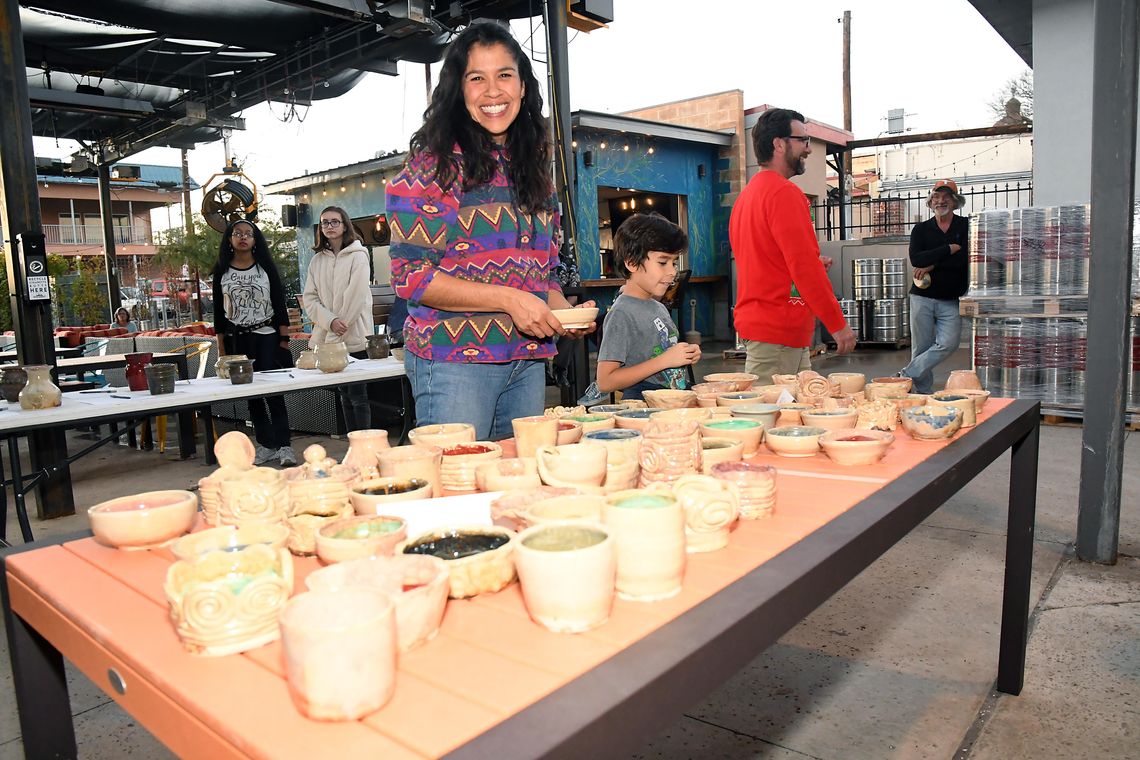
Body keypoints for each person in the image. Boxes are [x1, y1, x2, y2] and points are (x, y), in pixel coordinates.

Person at [386, 21, 594, 440]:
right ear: (458, 90)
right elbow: (410, 277)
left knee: (514, 491)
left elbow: (542, 274)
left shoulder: (533, 167)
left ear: (522, 85)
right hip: (454, 363)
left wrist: (560, 311)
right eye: (476, 78)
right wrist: (509, 300)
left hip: (527, 360)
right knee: (458, 490)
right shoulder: (435, 165)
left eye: (504, 75)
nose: (493, 91)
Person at [729, 108, 855, 383]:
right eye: (803, 140)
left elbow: (765, 260)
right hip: (778, 334)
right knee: (774, 418)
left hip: (769, 331)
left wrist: (811, 264)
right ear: (779, 143)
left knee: (784, 416)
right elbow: (804, 266)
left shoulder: (746, 198)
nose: (808, 149)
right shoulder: (784, 194)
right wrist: (837, 324)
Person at [212, 219, 296, 467]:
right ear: (229, 239)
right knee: (251, 395)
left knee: (273, 391)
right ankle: (266, 444)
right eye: (238, 233)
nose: (243, 237)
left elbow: (279, 303)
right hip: (236, 339)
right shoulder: (222, 270)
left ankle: (284, 445)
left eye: (249, 233)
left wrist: (283, 338)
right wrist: (221, 346)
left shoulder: (265, 267)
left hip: (267, 335)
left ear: (255, 239)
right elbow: (218, 311)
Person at [592, 214, 699, 401]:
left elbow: (659, 350)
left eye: (674, 263)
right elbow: (605, 381)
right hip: (644, 409)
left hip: (670, 401)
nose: (673, 271)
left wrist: (685, 355)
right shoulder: (622, 314)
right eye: (662, 262)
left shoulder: (658, 307)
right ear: (632, 262)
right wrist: (665, 361)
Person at [303, 206, 374, 431]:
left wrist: (340, 324)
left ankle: (366, 444)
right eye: (325, 222)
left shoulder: (359, 256)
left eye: (335, 222)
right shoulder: (316, 261)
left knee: (359, 397)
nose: (330, 226)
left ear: (345, 225)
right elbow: (310, 298)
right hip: (329, 336)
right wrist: (330, 321)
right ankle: (351, 442)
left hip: (355, 334)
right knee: (343, 395)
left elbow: (357, 295)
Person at [898, 179, 970, 394]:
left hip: (951, 298)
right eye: (937, 198)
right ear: (930, 203)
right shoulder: (921, 229)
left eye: (947, 197)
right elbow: (916, 260)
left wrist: (932, 264)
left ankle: (906, 375)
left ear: (956, 202)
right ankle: (921, 393)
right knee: (920, 348)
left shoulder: (965, 226)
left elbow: (966, 258)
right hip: (922, 297)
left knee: (948, 343)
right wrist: (949, 248)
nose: (941, 201)